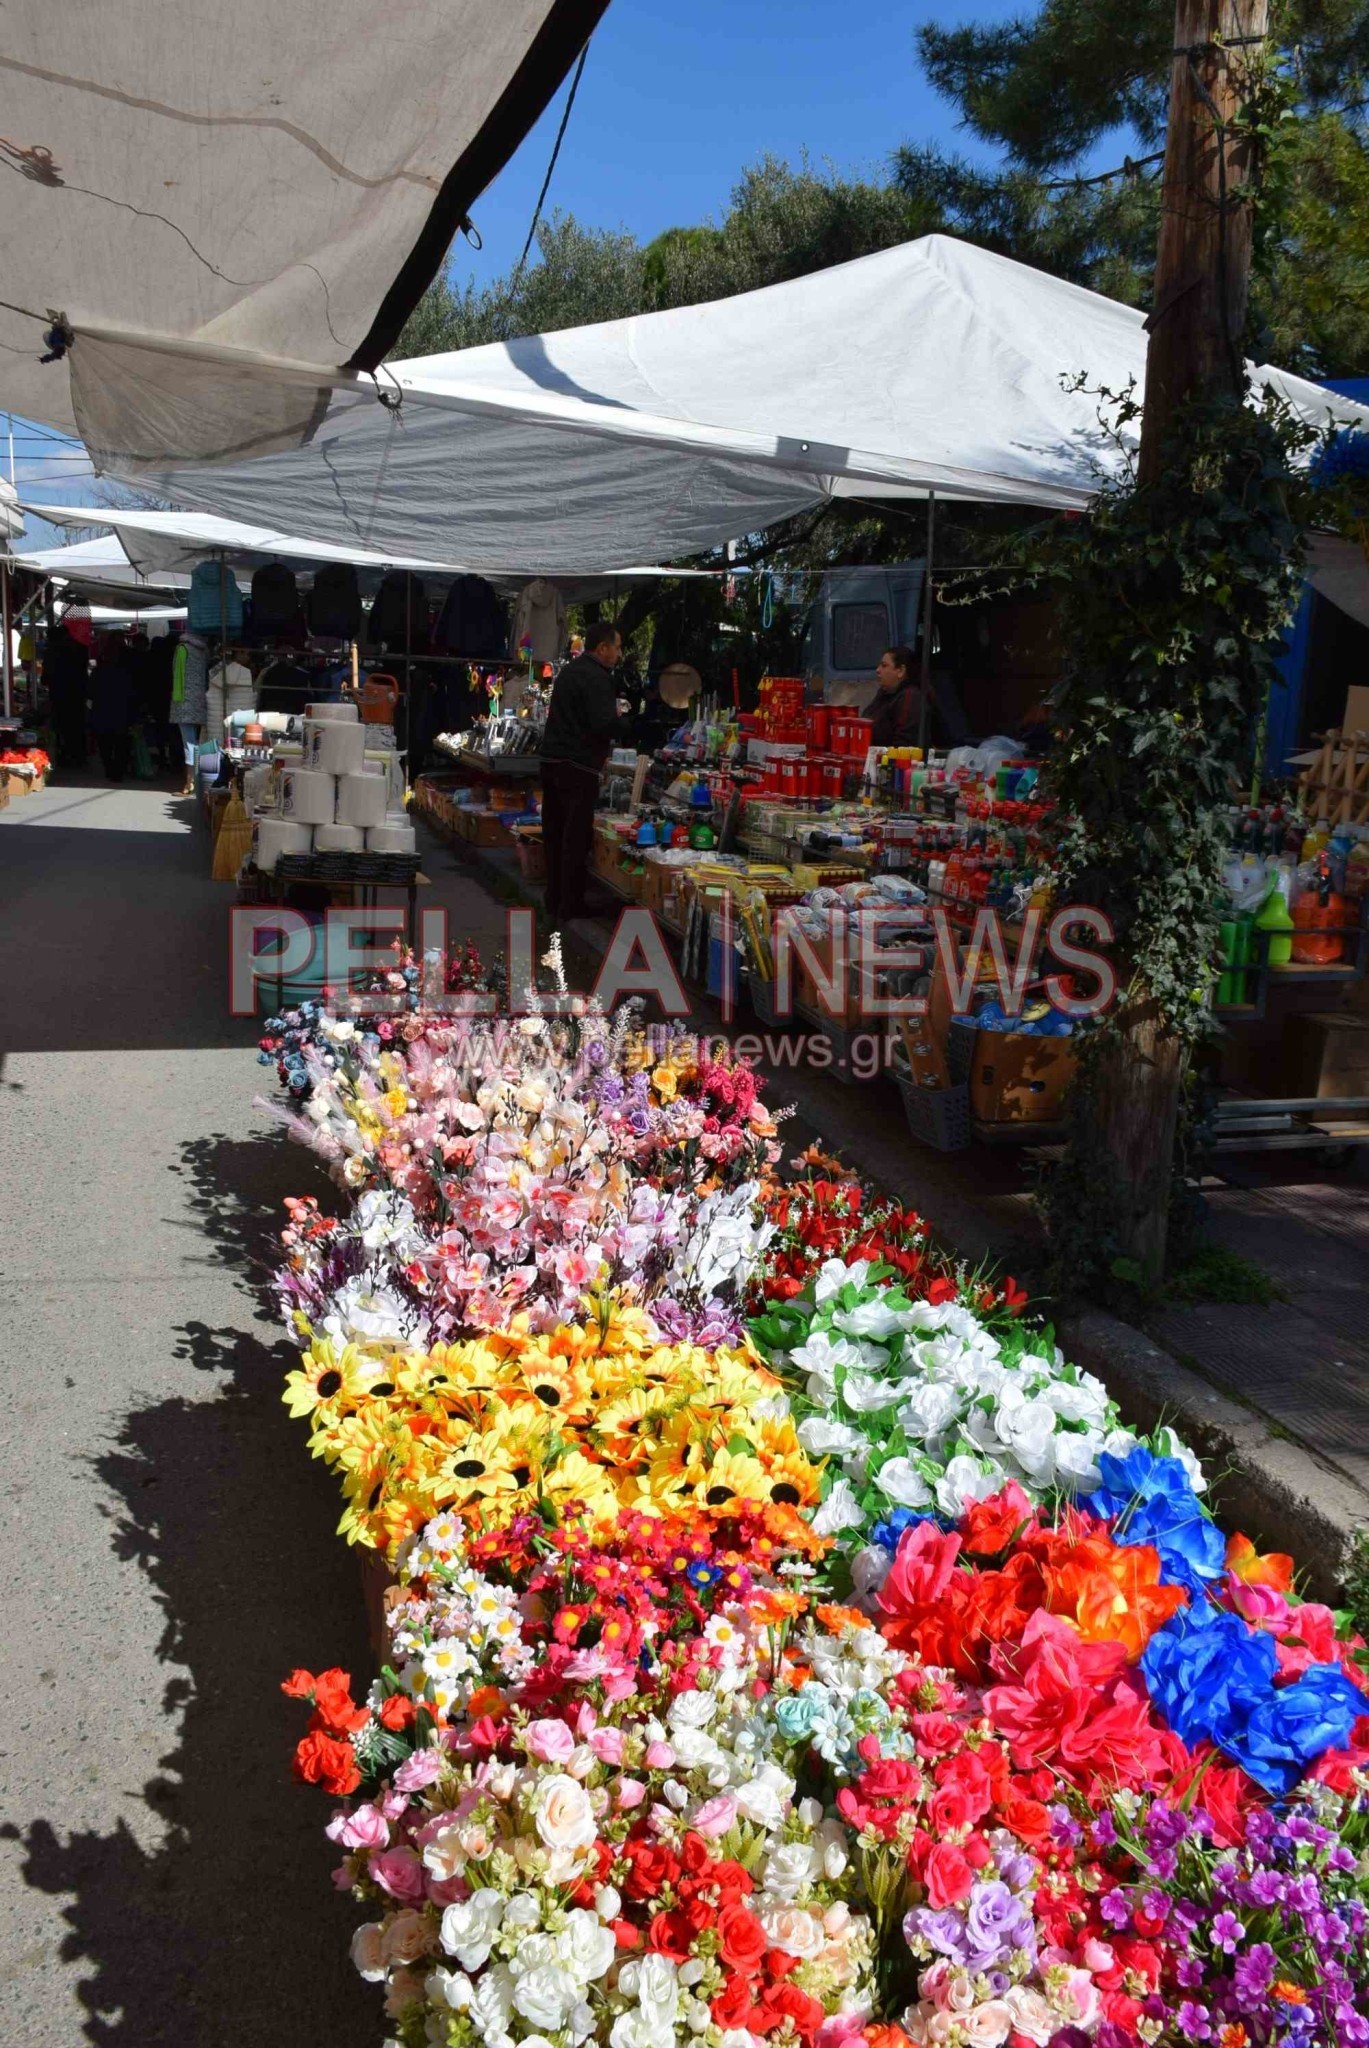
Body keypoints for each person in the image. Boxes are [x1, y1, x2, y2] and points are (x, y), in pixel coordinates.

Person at [539, 619, 629, 924]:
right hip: (576, 765)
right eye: (617, 647)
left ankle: (553, 899)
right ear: (602, 648)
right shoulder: (597, 677)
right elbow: (603, 723)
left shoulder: (570, 671)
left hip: (552, 760)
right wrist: (627, 723)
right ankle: (570, 904)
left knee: (554, 832)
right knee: (574, 837)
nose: (619, 653)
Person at [88, 633, 137, 782]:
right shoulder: (127, 668)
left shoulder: (99, 669)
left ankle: (110, 768)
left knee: (105, 741)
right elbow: (133, 690)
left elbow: (90, 690)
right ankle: (118, 770)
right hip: (121, 708)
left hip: (103, 707)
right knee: (121, 740)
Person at [43, 618, 90, 768]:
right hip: (78, 694)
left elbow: (46, 677)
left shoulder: (52, 651)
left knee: (61, 727)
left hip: (59, 694)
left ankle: (65, 756)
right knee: (77, 725)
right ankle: (80, 757)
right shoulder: (81, 649)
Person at [863, 644, 927, 748]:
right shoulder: (884, 693)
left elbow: (903, 743)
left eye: (884, 665)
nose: (878, 670)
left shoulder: (910, 697)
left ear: (900, 671)